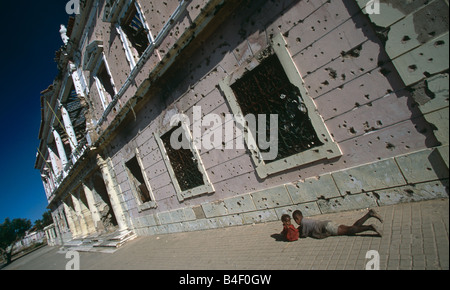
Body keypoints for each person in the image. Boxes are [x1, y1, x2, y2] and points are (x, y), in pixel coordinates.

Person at [292, 209, 383, 239]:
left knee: (349, 231)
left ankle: (370, 227)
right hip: (327, 223)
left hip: (327, 227)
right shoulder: (306, 220)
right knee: (351, 227)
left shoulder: (303, 224)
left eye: (295, 220)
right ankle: (369, 214)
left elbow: (303, 235)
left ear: (297, 219)